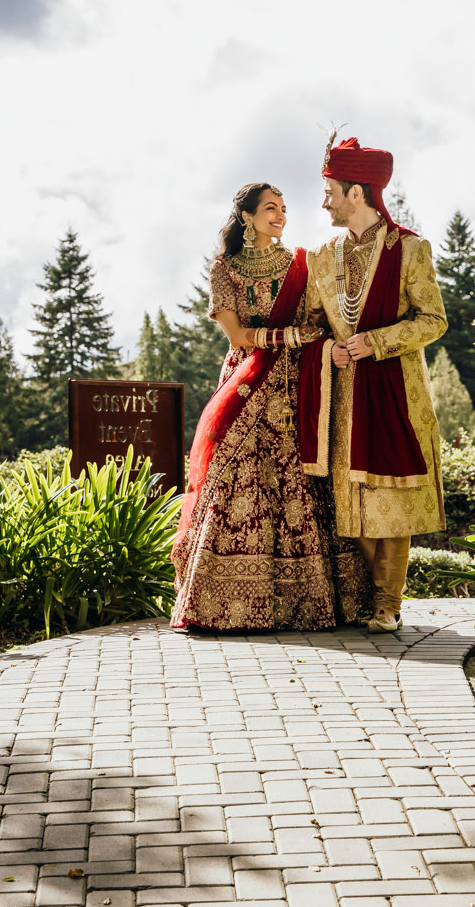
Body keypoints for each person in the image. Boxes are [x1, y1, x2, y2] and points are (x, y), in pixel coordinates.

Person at [169, 183, 368, 631]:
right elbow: (237, 336)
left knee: (300, 476)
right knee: (237, 473)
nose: (280, 215)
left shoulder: (302, 261)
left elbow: (319, 316)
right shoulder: (225, 268)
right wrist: (289, 337)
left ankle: (313, 602)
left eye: (284, 208)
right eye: (271, 208)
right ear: (247, 217)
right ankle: (221, 603)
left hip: (298, 384)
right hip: (248, 381)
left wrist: (316, 337)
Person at [298, 136, 449, 633]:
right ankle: (368, 597)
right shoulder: (321, 257)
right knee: (351, 500)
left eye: (331, 191)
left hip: (396, 390)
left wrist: (377, 342)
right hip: (343, 396)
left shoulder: (410, 249)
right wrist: (330, 349)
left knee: (394, 497)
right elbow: (313, 323)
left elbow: (433, 321)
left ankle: (387, 603)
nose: (325, 201)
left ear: (357, 192)